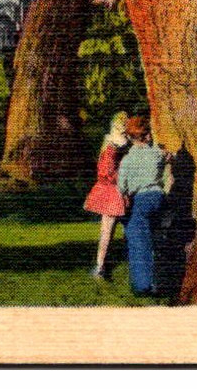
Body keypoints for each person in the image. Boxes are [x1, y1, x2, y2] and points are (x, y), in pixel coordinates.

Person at [115, 114, 169, 297]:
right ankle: (160, 278)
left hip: (141, 200)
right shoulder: (157, 154)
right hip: (159, 197)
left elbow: (121, 187)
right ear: (147, 135)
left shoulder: (127, 160)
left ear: (130, 137)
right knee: (156, 239)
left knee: (138, 241)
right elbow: (165, 161)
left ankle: (143, 285)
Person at [83, 112, 130, 278]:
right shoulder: (114, 147)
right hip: (113, 190)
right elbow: (107, 172)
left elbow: (105, 172)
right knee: (109, 230)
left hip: (112, 190)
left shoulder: (110, 145)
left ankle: (101, 265)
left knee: (108, 230)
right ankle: (101, 265)